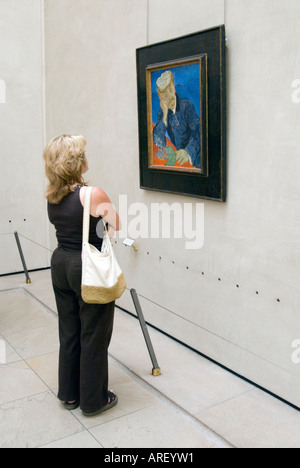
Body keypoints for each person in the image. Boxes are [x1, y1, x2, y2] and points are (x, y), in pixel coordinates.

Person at [43, 134, 120, 417]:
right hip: (86, 268)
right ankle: (94, 399)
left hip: (60, 263)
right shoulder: (92, 194)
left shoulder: (53, 195)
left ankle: (70, 394)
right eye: (83, 153)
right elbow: (115, 224)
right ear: (77, 161)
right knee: (94, 333)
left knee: (70, 330)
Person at [153, 70, 201, 169]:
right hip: (178, 162)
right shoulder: (161, 113)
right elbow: (159, 142)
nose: (169, 97)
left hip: (195, 157)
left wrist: (188, 152)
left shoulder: (186, 106)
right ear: (159, 95)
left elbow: (199, 132)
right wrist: (165, 116)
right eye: (164, 94)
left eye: (170, 90)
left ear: (174, 88)